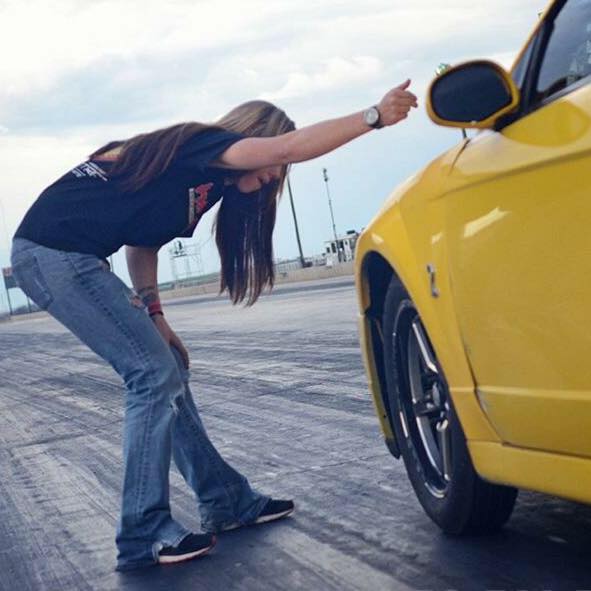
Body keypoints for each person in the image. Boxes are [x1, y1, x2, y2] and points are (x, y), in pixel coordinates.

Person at [10, 80, 418, 571]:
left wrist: (156, 316)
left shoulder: (198, 184)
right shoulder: (203, 147)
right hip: (54, 255)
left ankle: (224, 499)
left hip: (65, 257)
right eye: (273, 163)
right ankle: (142, 534)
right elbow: (288, 146)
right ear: (252, 138)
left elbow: (143, 244)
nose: (275, 175)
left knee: (167, 370)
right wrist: (374, 116)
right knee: (151, 376)